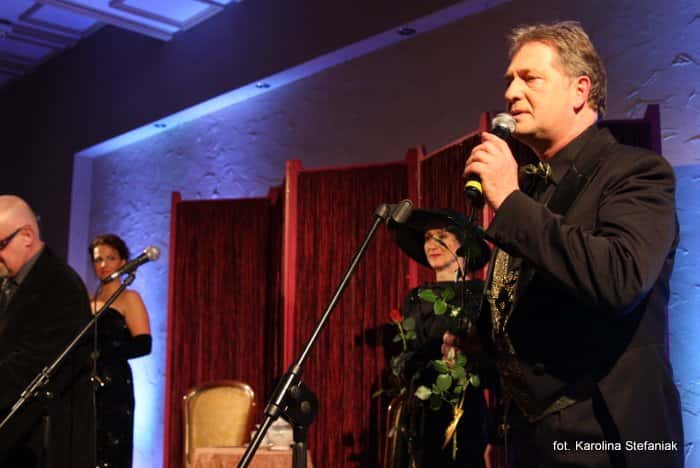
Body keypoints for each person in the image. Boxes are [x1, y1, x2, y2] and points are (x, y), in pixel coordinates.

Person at [445, 21, 683, 467]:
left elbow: (620, 279)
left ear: (580, 90)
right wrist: (483, 343)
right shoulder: (532, 192)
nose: (511, 93)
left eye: (530, 78)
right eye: (509, 81)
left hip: (608, 440)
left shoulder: (636, 173)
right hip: (530, 443)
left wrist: (510, 202)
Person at [388, 208, 492, 467]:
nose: (431, 244)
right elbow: (403, 357)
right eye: (427, 238)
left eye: (442, 236)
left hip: (467, 410)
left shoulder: (481, 295)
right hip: (422, 414)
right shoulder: (416, 298)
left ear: (463, 244)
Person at [0, 194, 95, 468]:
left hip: (41, 443)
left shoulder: (60, 286)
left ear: (27, 236)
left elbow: (29, 367)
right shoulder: (10, 280)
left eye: (0, 244)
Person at [89, 234, 152, 468]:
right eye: (98, 259)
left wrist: (104, 353)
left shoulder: (129, 298)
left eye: (110, 258)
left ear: (123, 262)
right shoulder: (88, 300)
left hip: (114, 383)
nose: (103, 265)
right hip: (87, 383)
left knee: (112, 449)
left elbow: (144, 344)